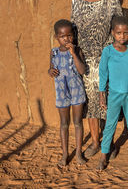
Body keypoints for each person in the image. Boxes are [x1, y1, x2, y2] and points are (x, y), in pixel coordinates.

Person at [71, 0, 123, 157]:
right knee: (91, 104)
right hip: (87, 63)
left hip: (108, 58)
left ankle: (108, 143)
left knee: (108, 103)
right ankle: (94, 142)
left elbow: (119, 26)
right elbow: (73, 32)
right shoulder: (76, 2)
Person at [97, 16, 128, 170]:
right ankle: (103, 157)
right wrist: (101, 95)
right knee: (110, 125)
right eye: (118, 33)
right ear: (112, 33)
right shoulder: (108, 51)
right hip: (114, 94)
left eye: (125, 33)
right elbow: (103, 73)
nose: (122, 36)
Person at [48, 19, 86, 166]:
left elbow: (82, 71)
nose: (67, 39)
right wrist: (50, 71)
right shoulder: (54, 52)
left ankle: (78, 153)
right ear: (57, 37)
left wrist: (74, 53)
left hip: (77, 91)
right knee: (64, 123)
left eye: (70, 36)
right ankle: (64, 154)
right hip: (61, 92)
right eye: (63, 36)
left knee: (77, 123)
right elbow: (50, 69)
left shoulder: (77, 50)